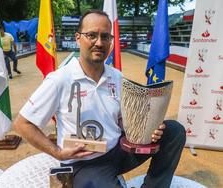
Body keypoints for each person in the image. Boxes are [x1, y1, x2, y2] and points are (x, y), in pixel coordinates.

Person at [13, 10, 186, 188]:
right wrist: (57, 153)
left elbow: (122, 120)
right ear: (78, 38)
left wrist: (149, 130)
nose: (99, 42)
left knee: (174, 131)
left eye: (105, 36)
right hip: (85, 163)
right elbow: (22, 124)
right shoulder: (59, 79)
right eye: (91, 35)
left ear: (111, 41)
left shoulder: (117, 77)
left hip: (119, 151)